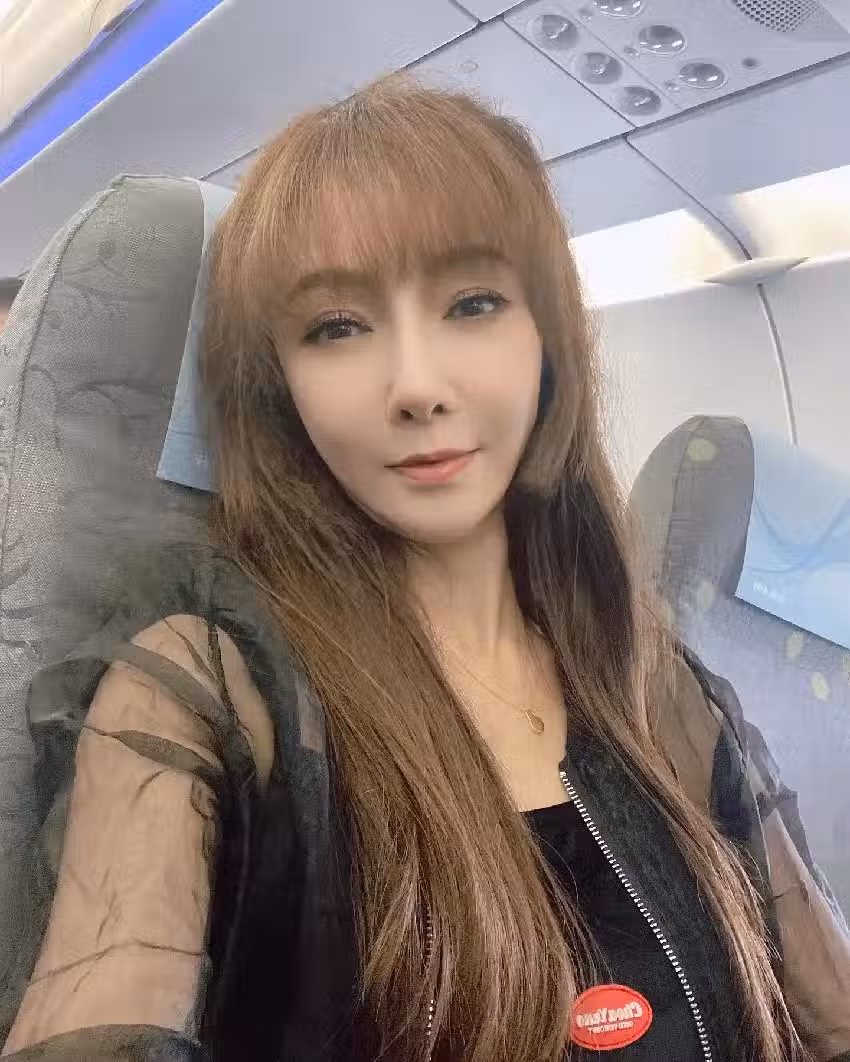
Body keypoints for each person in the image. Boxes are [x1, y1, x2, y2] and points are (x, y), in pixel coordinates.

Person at [2, 80, 849, 1062]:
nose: (415, 386)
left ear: (549, 341)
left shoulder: (658, 687)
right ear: (279, 386)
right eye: (336, 327)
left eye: (473, 303)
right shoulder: (212, 686)